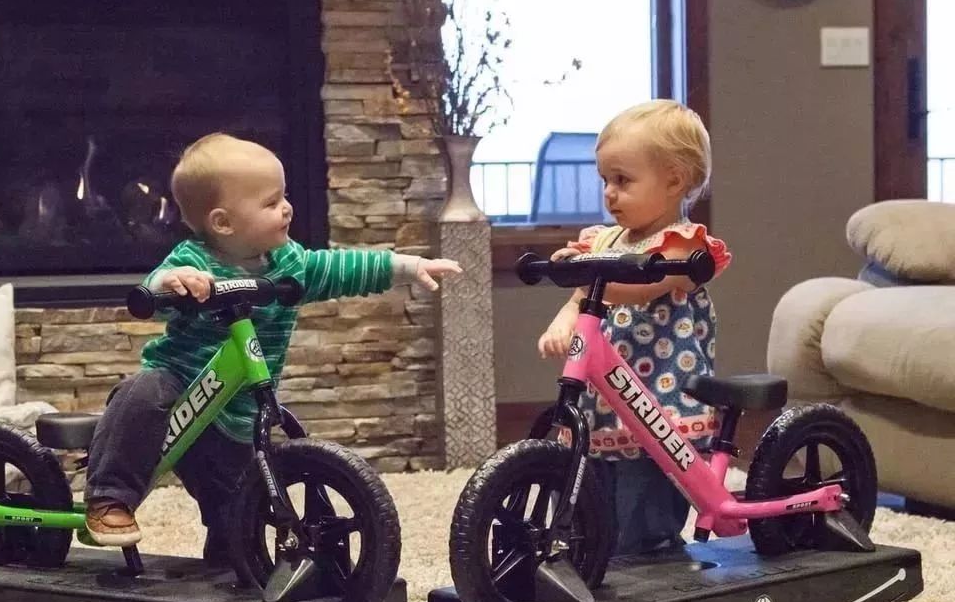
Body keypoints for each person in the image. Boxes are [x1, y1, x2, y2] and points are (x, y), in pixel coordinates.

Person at [85, 133, 461, 556]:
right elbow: (155, 294)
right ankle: (110, 498)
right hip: (181, 383)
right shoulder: (193, 261)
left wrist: (408, 266)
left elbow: (342, 267)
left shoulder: (290, 265)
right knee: (141, 391)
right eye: (270, 202)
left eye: (284, 196)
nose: (287, 208)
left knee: (238, 506)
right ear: (223, 223)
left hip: (236, 411)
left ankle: (234, 563)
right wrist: (172, 284)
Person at [536, 99, 732, 556]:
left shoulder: (684, 245)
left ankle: (652, 553)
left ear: (674, 181)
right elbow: (580, 299)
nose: (609, 193)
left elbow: (644, 288)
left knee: (644, 490)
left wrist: (583, 276)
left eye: (622, 180)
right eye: (605, 180)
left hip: (660, 395)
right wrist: (565, 316)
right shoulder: (603, 240)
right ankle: (590, 548)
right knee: (594, 473)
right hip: (606, 395)